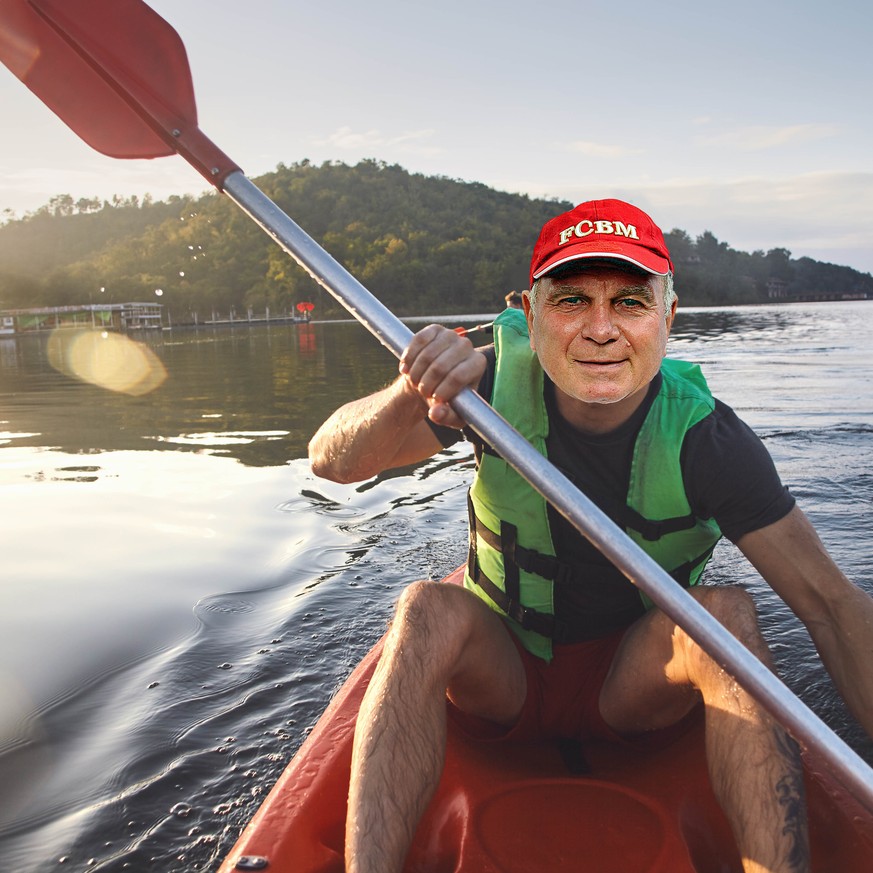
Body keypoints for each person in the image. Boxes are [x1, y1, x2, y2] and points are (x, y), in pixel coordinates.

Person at [308, 199, 873, 873]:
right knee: (424, 608)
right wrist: (410, 386)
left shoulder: (708, 441)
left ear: (666, 316)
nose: (600, 329)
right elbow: (333, 461)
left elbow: (831, 607)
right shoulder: (479, 389)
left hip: (628, 688)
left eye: (629, 303)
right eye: (571, 300)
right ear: (529, 309)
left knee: (727, 615)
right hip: (506, 672)